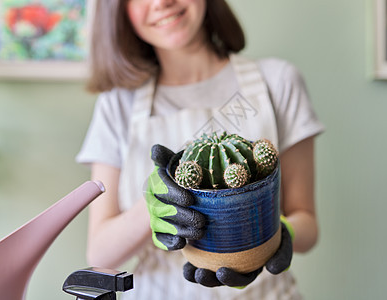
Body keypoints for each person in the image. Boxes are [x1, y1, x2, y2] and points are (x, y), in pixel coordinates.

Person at [76, 0, 325, 299]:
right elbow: (100, 253)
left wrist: (276, 235)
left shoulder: (278, 81)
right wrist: (155, 205)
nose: (161, 3)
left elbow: (306, 221)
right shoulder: (118, 103)